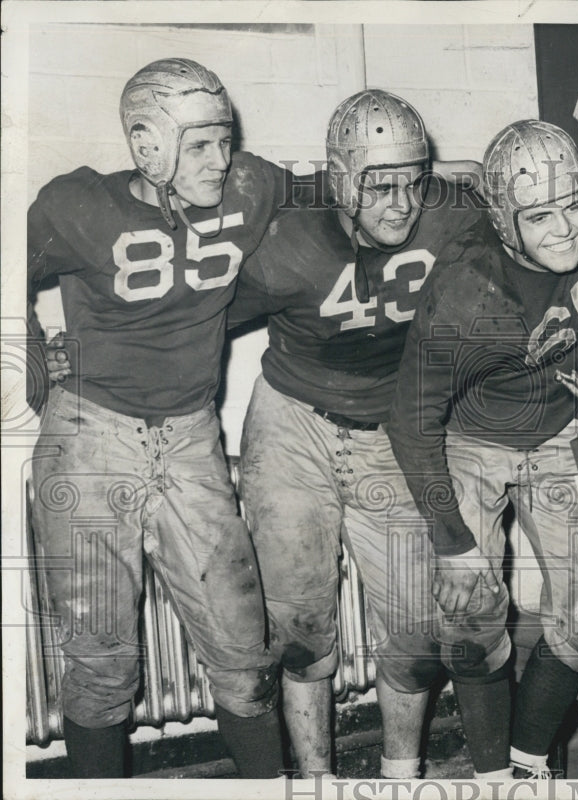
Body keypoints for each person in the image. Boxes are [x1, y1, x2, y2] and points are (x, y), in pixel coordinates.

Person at [387, 120, 578, 778]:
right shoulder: (464, 291)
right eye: (539, 216)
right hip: (471, 438)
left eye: (573, 205)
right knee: (468, 612)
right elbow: (410, 419)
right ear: (500, 220)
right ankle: (492, 774)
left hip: (566, 421)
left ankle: (527, 763)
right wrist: (452, 541)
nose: (566, 229)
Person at [27, 58, 288, 778]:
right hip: (91, 439)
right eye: (200, 144)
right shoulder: (79, 205)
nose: (221, 159)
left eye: (224, 139)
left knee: (243, 654)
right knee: (100, 663)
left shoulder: (253, 187)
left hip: (191, 437)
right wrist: (28, 359)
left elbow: (314, 235)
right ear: (150, 144)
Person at [226, 89, 484, 779]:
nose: (401, 201)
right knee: (300, 628)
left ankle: (403, 776)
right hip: (293, 428)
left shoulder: (454, 215)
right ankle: (316, 782)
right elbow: (193, 318)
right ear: (339, 178)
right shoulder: (287, 238)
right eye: (378, 183)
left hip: (394, 431)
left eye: (412, 179)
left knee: (414, 630)